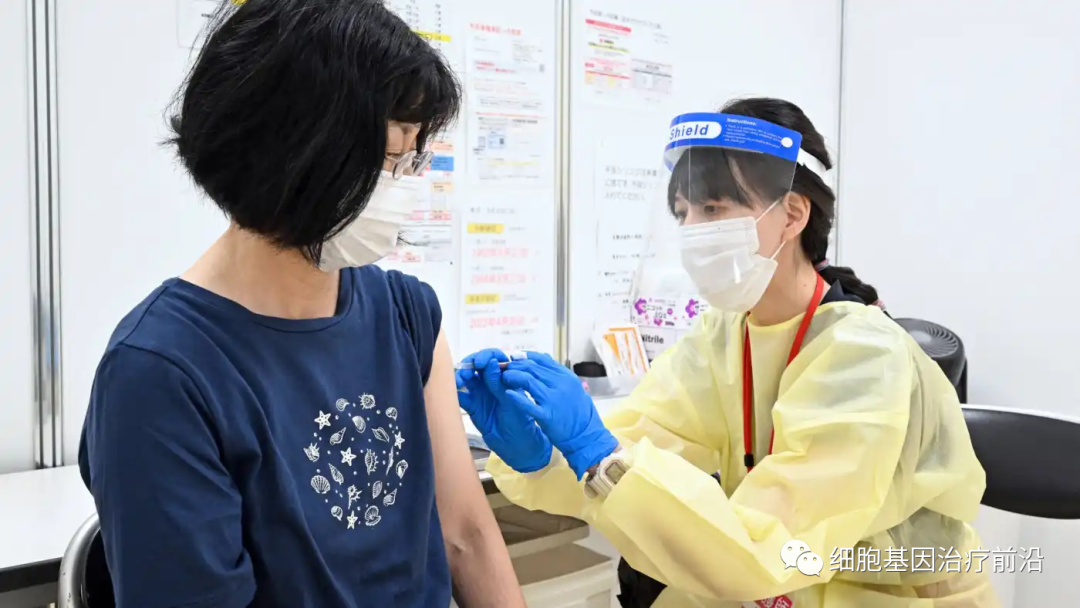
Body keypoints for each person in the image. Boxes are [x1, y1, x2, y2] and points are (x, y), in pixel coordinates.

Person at [458, 98, 998, 606]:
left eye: (713, 208)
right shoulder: (723, 334)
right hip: (775, 587)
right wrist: (544, 457)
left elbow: (775, 545)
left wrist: (599, 454)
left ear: (792, 214)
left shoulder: (865, 357)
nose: (693, 231)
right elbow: (637, 438)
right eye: (683, 213)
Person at [78, 2, 525, 606]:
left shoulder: (406, 315)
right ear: (297, 150)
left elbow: (465, 535)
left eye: (411, 159)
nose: (403, 188)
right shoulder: (160, 373)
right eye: (388, 160)